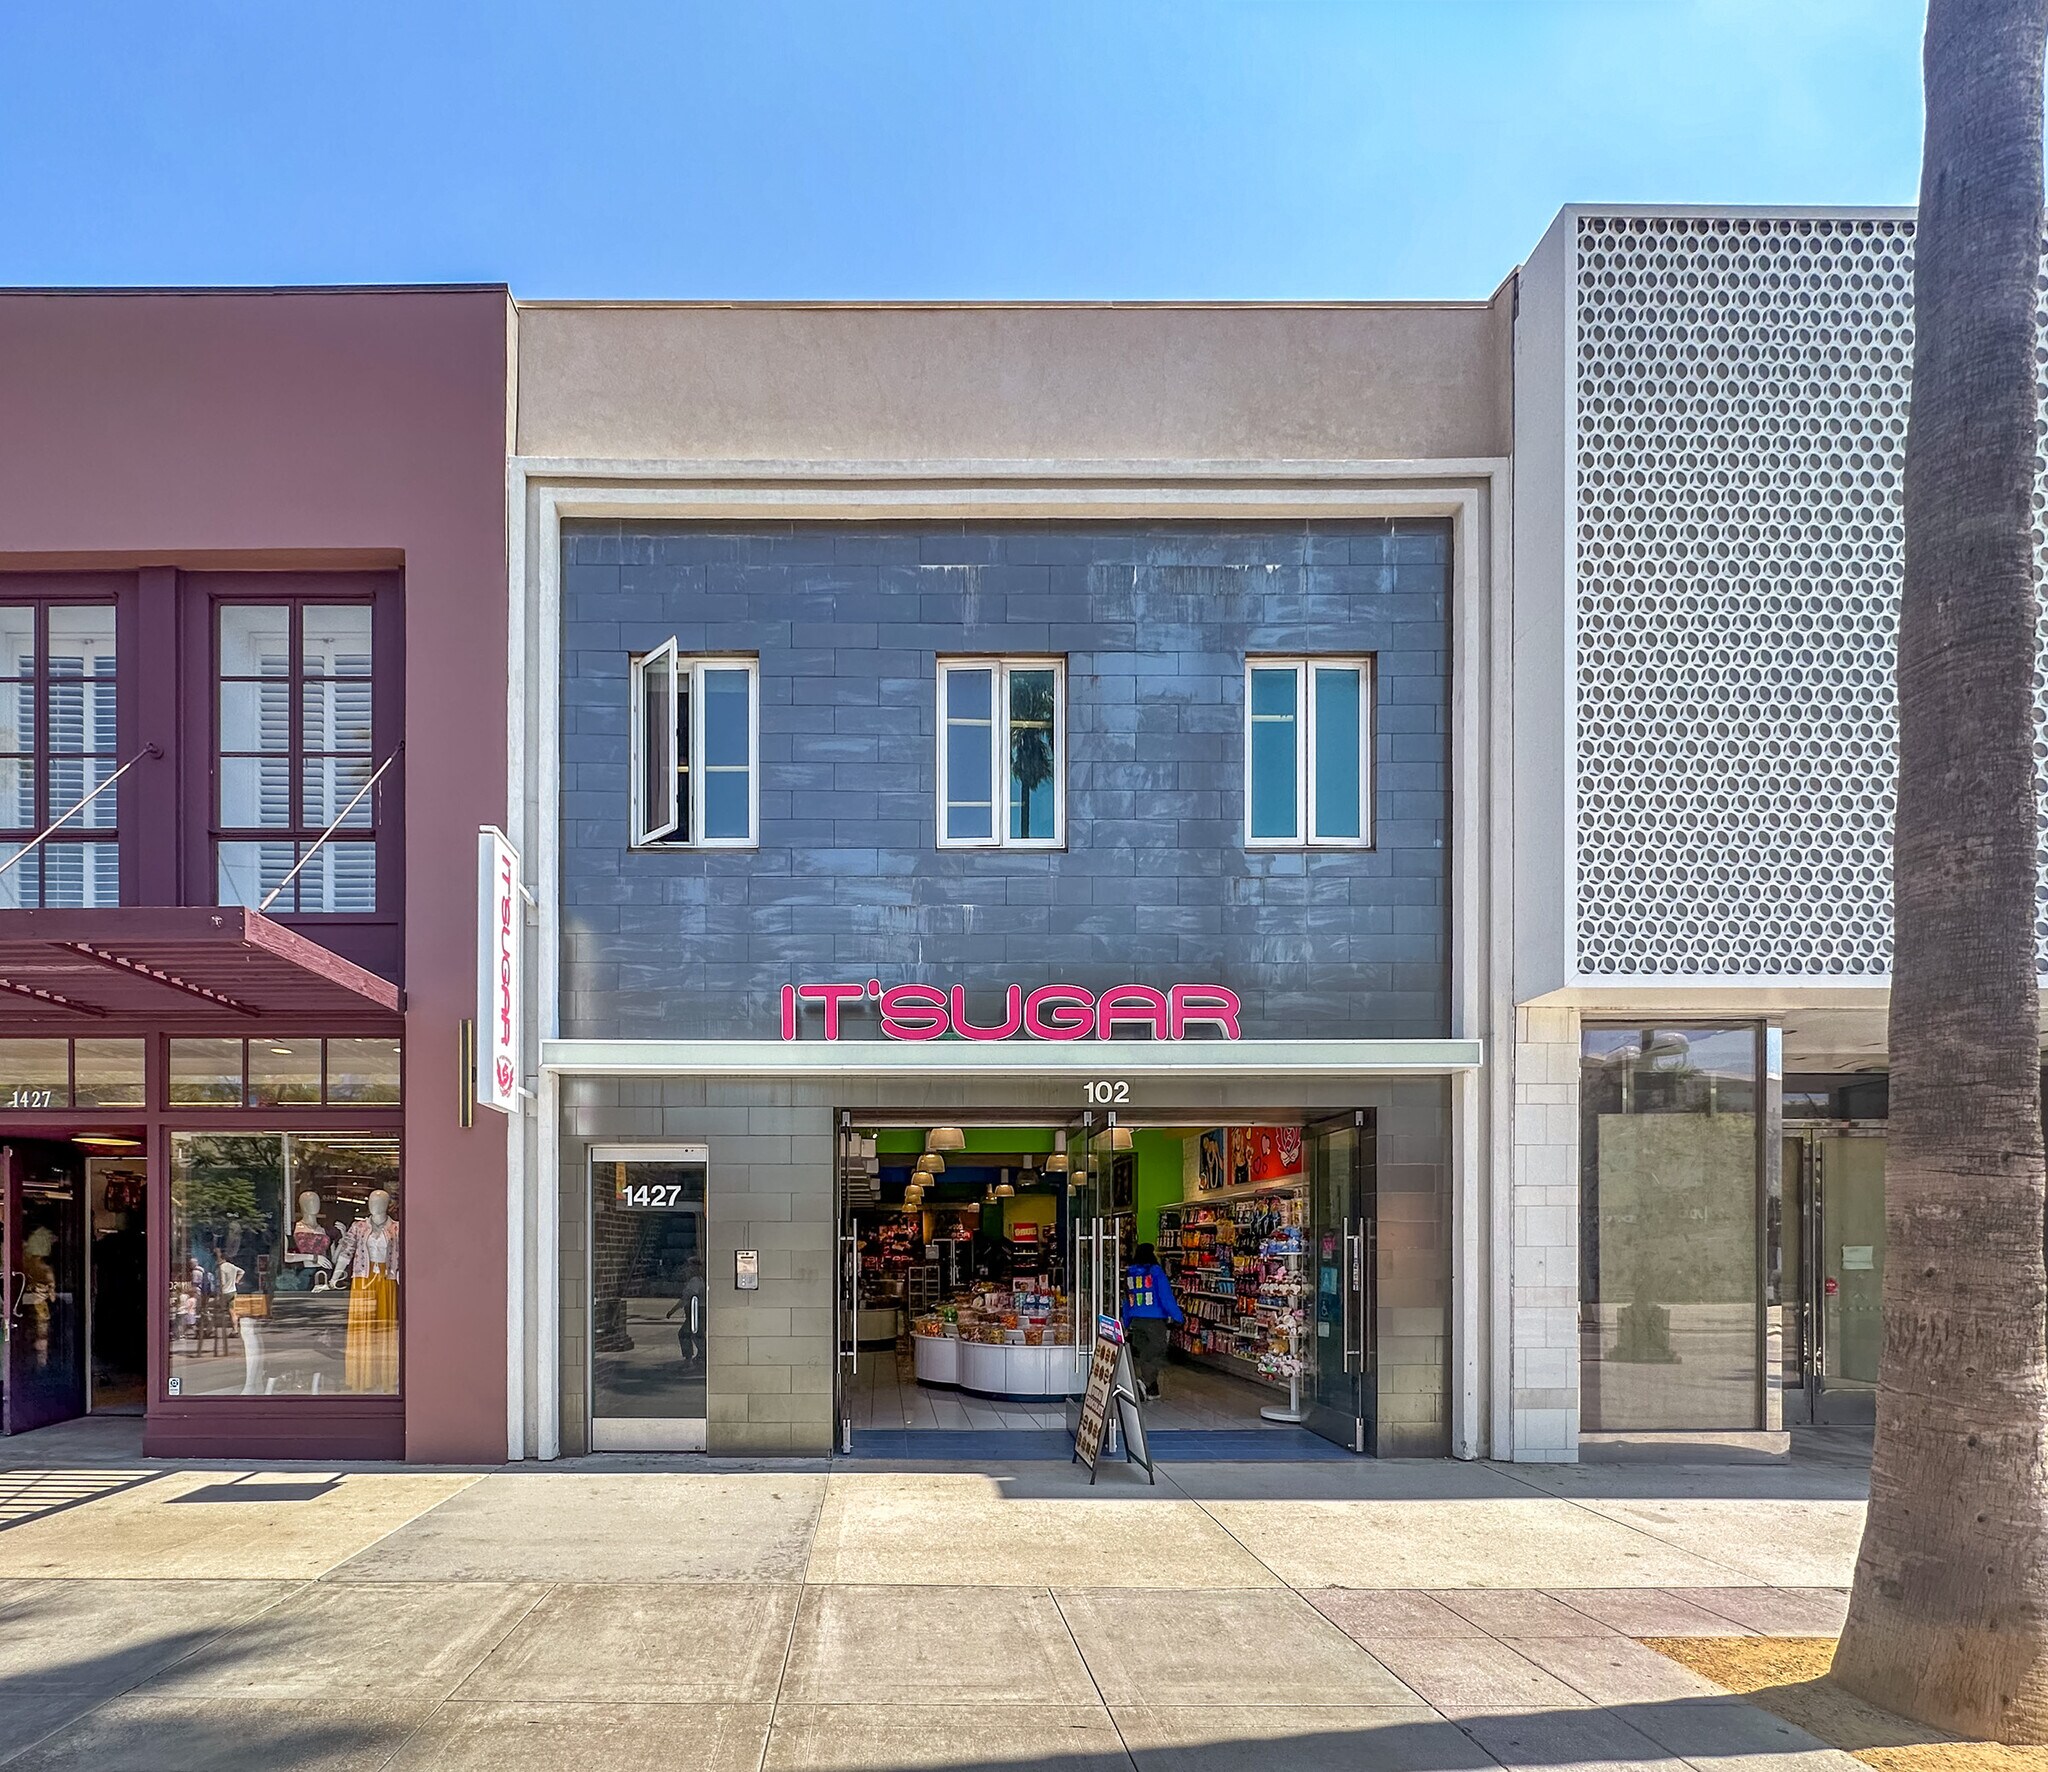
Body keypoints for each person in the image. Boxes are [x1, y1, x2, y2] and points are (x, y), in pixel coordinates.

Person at [1121, 1241, 1184, 1400]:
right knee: (1157, 1351)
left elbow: (1128, 1300)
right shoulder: (1155, 1272)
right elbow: (1165, 1296)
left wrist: (1126, 1321)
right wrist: (1178, 1317)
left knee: (1145, 1353)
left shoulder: (1130, 1273)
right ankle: (1143, 1382)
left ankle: (1152, 1390)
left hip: (1136, 1319)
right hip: (1154, 1320)